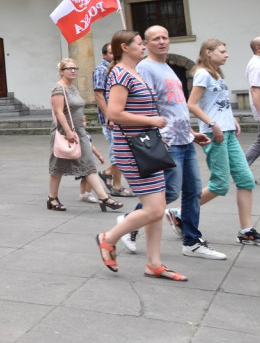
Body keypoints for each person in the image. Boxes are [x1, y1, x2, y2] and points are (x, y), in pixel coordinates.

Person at [95, 30, 186, 281]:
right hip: (133, 148)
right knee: (155, 209)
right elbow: (114, 113)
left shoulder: (136, 72)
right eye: (139, 43)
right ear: (125, 47)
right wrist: (151, 120)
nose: (144, 46)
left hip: (148, 146)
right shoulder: (120, 75)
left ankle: (154, 263)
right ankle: (108, 238)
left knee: (155, 208)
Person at [134, 26, 225, 259]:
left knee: (193, 192)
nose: (162, 41)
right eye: (156, 39)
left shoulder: (167, 67)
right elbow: (149, 105)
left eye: (165, 37)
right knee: (169, 191)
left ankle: (192, 242)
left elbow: (175, 106)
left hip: (183, 138)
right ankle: (128, 223)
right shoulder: (145, 67)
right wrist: (159, 136)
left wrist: (191, 132)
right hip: (168, 140)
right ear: (146, 43)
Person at [188, 39, 260, 246]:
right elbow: (192, 105)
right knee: (219, 184)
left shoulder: (217, 74)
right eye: (222, 51)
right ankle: (180, 214)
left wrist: (231, 119)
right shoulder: (203, 73)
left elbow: (217, 104)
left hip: (227, 132)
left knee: (246, 180)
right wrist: (213, 124)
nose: (227, 54)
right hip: (215, 135)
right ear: (208, 53)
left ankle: (246, 231)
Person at [46, 58, 123, 212]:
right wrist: (68, 131)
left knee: (88, 164)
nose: (73, 71)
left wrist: (81, 118)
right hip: (64, 133)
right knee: (57, 167)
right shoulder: (58, 89)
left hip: (79, 132)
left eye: (75, 68)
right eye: (69, 68)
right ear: (61, 71)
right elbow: (59, 112)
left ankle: (103, 197)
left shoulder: (73, 88)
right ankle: (52, 198)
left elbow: (74, 108)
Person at [94, 43, 133, 197]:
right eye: (111, 53)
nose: (114, 55)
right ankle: (117, 186)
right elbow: (99, 94)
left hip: (121, 117)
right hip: (111, 119)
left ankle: (108, 173)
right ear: (104, 55)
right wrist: (109, 116)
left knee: (121, 151)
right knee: (118, 153)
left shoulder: (118, 69)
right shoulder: (101, 69)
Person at [245, 36, 260, 166]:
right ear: (259, 48)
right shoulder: (257, 65)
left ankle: (241, 170)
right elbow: (255, 90)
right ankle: (240, 170)